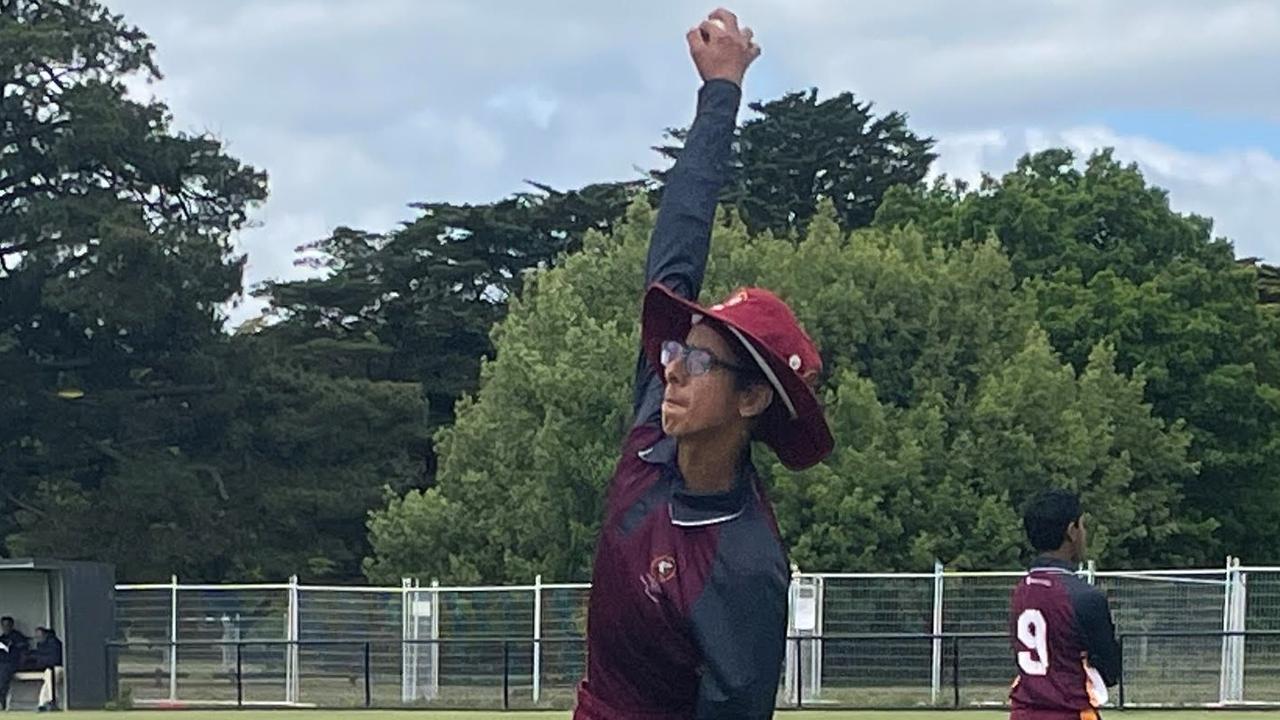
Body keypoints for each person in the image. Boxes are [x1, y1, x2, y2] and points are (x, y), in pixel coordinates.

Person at [573, 8, 834, 719]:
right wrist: (720, 94)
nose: (673, 371)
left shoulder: (746, 565)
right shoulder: (648, 436)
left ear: (753, 398)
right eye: (673, 351)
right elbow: (678, 244)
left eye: (698, 360)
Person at [1009, 490, 1122, 720]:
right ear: (1071, 531)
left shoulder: (1021, 591)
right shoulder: (1085, 596)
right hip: (1070, 713)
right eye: (1082, 526)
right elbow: (1110, 672)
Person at [0, 616, 30, 710]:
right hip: (2, 664)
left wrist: (22, 664)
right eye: (3, 625)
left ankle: (2, 701)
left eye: (7, 625)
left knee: (3, 676)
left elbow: (24, 653)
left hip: (13, 664)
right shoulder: (1, 638)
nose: (5, 627)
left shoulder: (18, 637)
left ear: (12, 625)